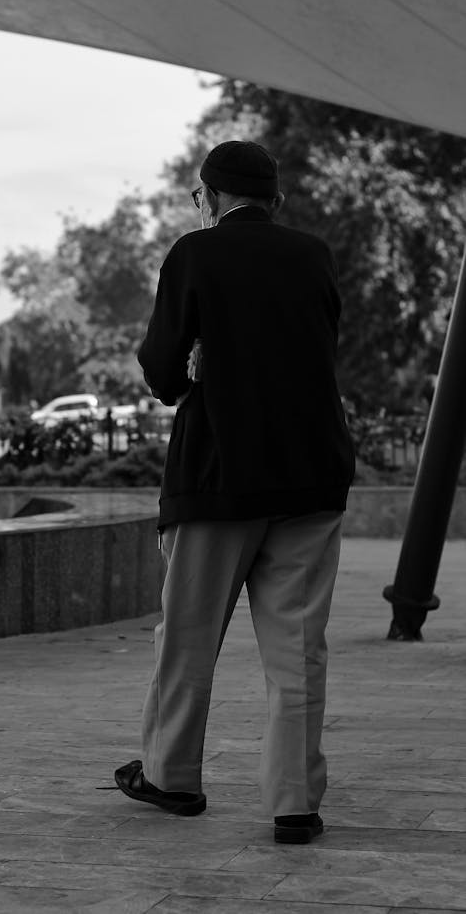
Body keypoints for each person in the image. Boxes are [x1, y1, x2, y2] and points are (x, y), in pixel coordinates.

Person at [114, 140, 355, 844]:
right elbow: (313, 347)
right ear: (275, 201)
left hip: (219, 473)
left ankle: (172, 775)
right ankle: (294, 803)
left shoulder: (195, 253)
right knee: (298, 648)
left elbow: (162, 370)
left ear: (211, 197)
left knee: (187, 636)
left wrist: (194, 365)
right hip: (310, 472)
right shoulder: (312, 255)